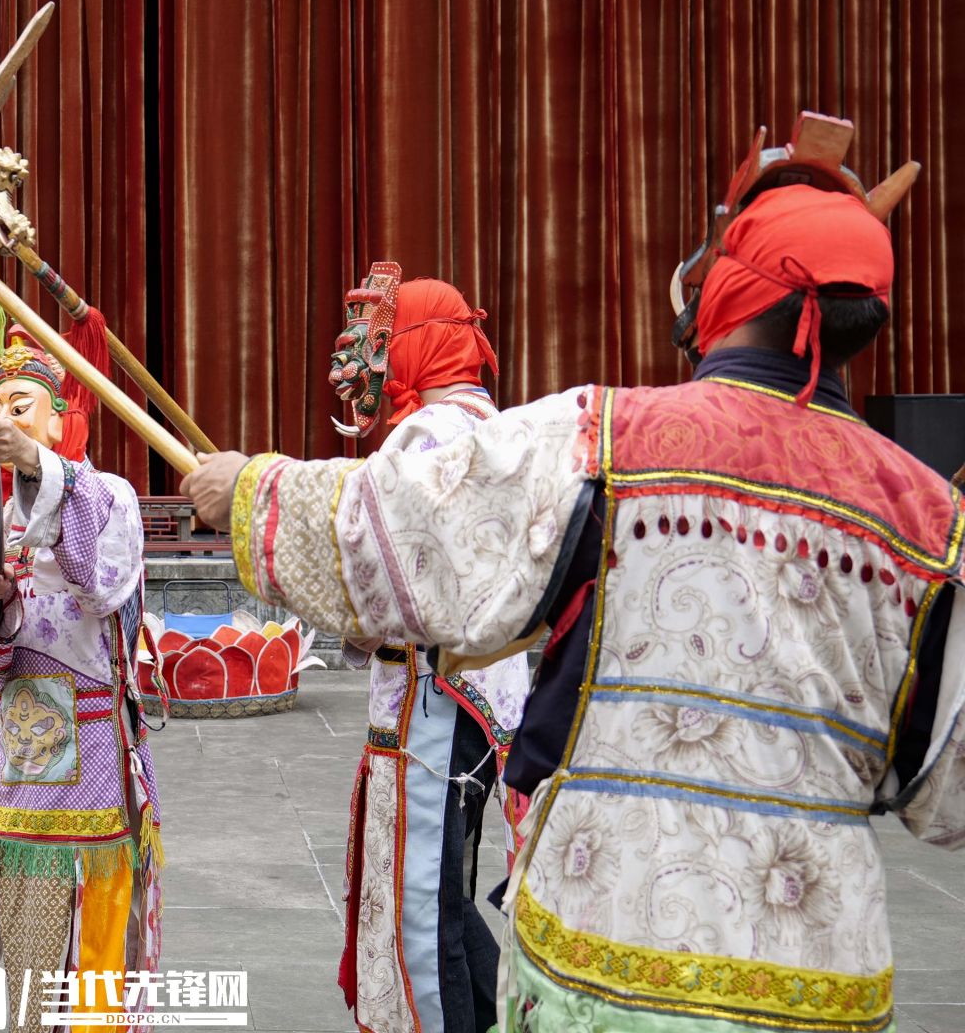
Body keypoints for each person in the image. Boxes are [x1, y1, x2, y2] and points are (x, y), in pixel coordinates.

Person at [184, 113, 964, 1033]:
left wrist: (252, 491)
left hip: (608, 973)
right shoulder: (927, 521)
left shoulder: (605, 440)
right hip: (815, 988)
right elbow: (945, 789)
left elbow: (400, 535)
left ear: (732, 286)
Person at [0, 329, 162, 1033]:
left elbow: (103, 586)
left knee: (94, 928)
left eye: (25, 405)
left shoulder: (108, 496)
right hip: (25, 751)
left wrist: (45, 469)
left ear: (57, 418)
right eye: (0, 406)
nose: (8, 419)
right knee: (16, 922)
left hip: (95, 752)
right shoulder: (0, 516)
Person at [323, 266, 528, 1033]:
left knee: (420, 912)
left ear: (415, 346)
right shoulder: (497, 426)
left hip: (432, 707)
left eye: (381, 339)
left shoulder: (428, 437)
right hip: (482, 705)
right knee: (442, 897)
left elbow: (384, 575)